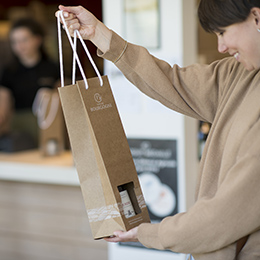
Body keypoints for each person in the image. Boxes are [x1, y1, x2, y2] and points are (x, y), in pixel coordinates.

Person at [56, 1, 260, 259]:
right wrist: (98, 34)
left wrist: (150, 233)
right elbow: (171, 81)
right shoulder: (238, 73)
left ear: (256, 18)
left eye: (222, 32)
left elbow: (227, 213)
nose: (221, 47)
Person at [0, 18, 59, 146]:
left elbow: (63, 102)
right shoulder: (9, 72)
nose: (19, 46)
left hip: (49, 126)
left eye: (24, 40)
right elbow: (3, 108)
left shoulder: (53, 68)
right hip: (20, 131)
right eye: (14, 42)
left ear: (38, 40)